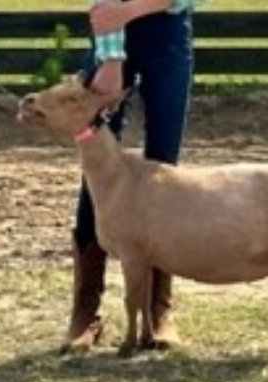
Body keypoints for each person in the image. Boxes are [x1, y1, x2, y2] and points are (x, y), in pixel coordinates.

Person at [64, 0, 203, 353]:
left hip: (168, 34)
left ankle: (158, 310)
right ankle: (85, 312)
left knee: (164, 170)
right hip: (111, 35)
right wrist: (111, 57)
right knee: (97, 167)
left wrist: (127, 12)